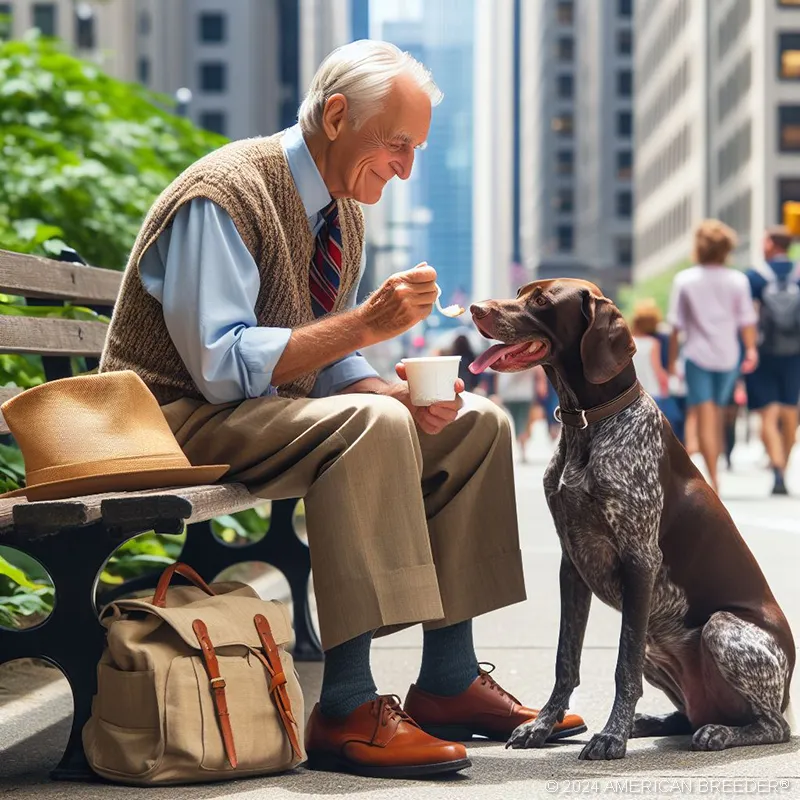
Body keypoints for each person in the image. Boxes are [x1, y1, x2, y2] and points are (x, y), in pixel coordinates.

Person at [99, 41, 583, 778]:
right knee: (370, 426)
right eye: (397, 145)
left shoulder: (340, 212)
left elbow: (322, 358)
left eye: (417, 150)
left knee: (474, 424)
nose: (406, 168)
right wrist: (367, 326)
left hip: (256, 413)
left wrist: (392, 389)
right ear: (335, 116)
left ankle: (450, 681)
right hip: (167, 416)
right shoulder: (225, 194)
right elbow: (221, 366)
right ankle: (349, 704)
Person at [667, 219, 759, 494]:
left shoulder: (685, 279)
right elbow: (747, 320)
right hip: (729, 356)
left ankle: (714, 478)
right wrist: (751, 349)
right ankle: (714, 474)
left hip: (697, 356)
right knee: (717, 415)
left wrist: (672, 361)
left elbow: (675, 326)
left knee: (705, 414)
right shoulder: (738, 280)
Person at [745, 226, 800, 495]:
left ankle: (777, 469)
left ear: (770, 244)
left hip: (763, 353)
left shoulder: (755, 277)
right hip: (795, 354)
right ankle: (784, 468)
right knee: (791, 412)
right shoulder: (799, 274)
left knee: (768, 413)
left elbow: (746, 318)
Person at [630, 300, 669, 401]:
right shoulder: (653, 343)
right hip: (652, 391)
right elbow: (657, 369)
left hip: (632, 392)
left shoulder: (628, 342)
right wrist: (665, 386)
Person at [494, 370, 536, 462]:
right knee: (517, 423)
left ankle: (522, 450)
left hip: (522, 393)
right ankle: (520, 449)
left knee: (521, 422)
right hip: (510, 394)